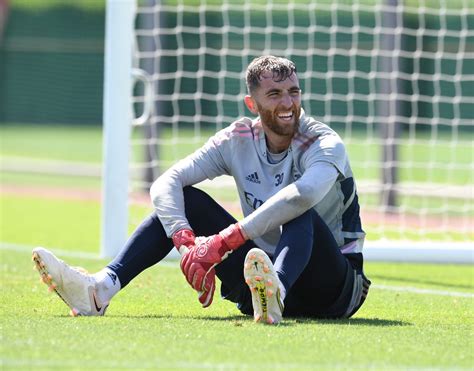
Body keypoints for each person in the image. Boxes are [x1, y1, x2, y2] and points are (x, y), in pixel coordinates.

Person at [32, 55, 370, 324]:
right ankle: (99, 290)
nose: (288, 103)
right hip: (256, 281)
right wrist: (186, 244)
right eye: (275, 94)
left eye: (293, 92)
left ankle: (275, 292)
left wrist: (224, 241)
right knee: (188, 200)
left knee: (300, 213)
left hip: (336, 288)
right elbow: (167, 182)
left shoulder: (324, 142)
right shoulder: (237, 139)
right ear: (251, 104)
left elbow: (302, 196)